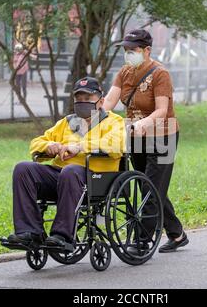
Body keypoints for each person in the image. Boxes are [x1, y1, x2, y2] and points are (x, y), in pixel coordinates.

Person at [7, 77, 126, 249]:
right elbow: (36, 143)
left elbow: (116, 145)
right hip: (61, 175)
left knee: (70, 171)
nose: (82, 102)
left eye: (88, 99)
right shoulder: (67, 122)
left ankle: (62, 236)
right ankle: (29, 233)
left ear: (100, 101)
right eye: (79, 99)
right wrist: (49, 146)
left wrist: (79, 147)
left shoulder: (113, 121)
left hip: (94, 178)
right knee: (22, 169)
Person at [103, 29, 188, 253]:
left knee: (151, 190)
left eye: (134, 50)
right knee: (148, 185)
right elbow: (110, 100)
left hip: (163, 136)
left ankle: (141, 241)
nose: (129, 54)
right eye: (126, 50)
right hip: (135, 136)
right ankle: (177, 234)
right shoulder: (124, 72)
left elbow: (162, 110)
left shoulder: (161, 74)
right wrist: (93, 121)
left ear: (147, 50)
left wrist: (143, 123)